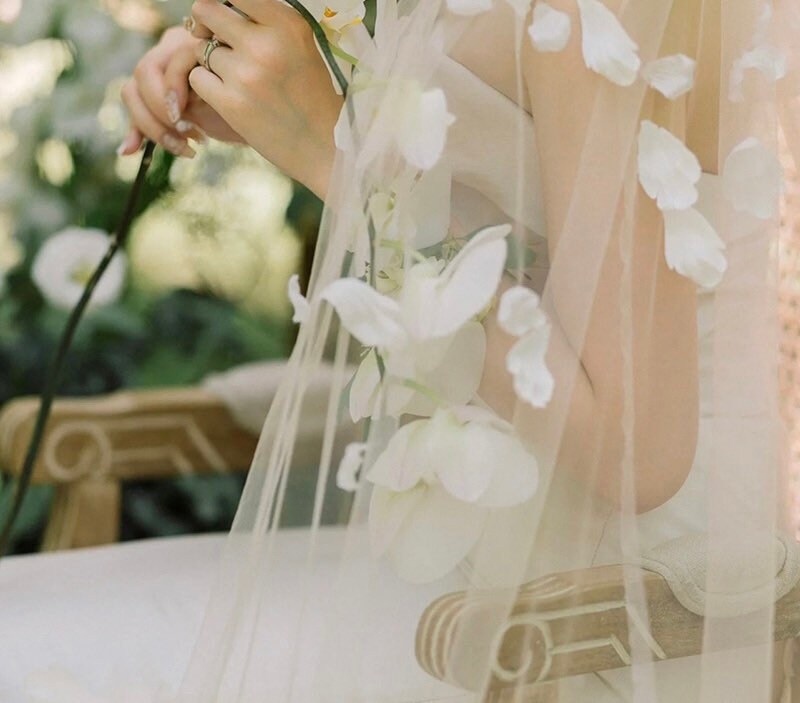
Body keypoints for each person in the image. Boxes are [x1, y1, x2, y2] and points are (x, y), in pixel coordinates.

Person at [2, 0, 797, 701]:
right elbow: (504, 187)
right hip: (470, 532)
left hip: (599, 605)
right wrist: (265, 99)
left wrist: (333, 152)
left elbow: (639, 450)